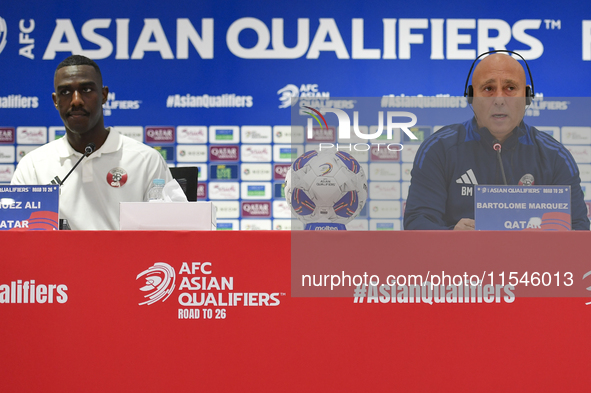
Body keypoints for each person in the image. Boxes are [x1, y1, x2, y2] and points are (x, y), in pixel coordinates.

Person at [404, 53, 589, 230]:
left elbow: (579, 232)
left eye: (510, 88)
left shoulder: (555, 157)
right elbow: (417, 223)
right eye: (488, 89)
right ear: (471, 97)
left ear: (527, 97)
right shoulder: (439, 149)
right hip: (459, 260)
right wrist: (453, 236)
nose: (499, 99)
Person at [11, 55, 172, 230]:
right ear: (55, 101)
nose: (76, 101)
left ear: (104, 95)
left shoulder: (145, 160)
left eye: (86, 90)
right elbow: (18, 239)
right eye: (65, 92)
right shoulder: (33, 166)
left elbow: (172, 232)